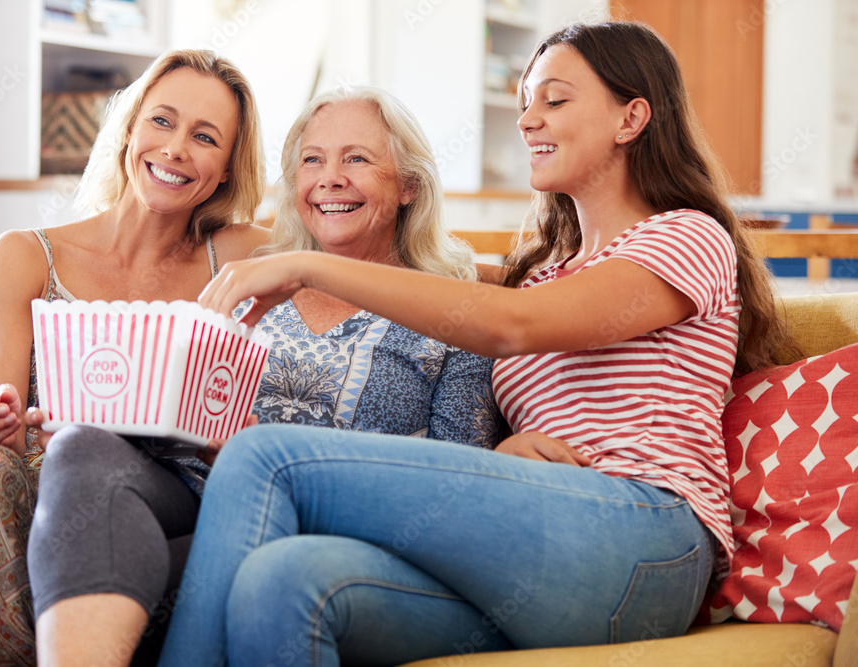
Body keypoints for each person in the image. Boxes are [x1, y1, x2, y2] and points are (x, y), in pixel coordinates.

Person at [157, 21, 793, 667]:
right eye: (524, 103)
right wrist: (508, 450)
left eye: (553, 99)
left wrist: (306, 264)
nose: (527, 120)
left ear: (631, 118)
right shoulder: (546, 270)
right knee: (287, 579)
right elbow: (451, 285)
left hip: (647, 538)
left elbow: (509, 322)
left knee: (265, 456)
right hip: (544, 548)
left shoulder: (686, 236)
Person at [23, 85, 502, 666]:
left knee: (129, 565)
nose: (329, 177)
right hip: (204, 492)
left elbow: (461, 479)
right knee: (81, 449)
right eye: (312, 160)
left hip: (331, 539)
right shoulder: (252, 278)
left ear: (408, 186)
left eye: (356, 158)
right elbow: (192, 421)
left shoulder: (455, 306)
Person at [0, 48, 268, 667]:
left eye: (205, 137)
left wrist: (468, 279)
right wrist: (0, 417)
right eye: (162, 120)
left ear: (227, 173)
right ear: (130, 129)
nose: (177, 147)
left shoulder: (237, 257)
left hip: (134, 511)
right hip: (18, 488)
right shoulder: (25, 254)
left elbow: (381, 258)